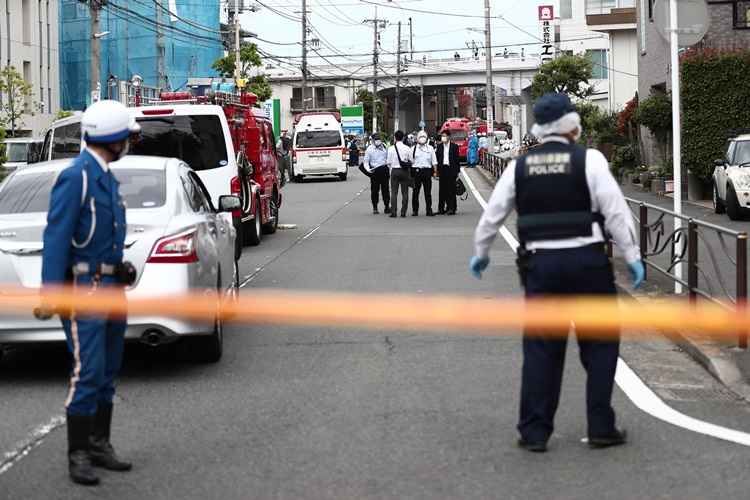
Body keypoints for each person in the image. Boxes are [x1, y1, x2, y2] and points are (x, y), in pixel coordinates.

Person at [469, 93, 646, 453]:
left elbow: (493, 214)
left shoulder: (520, 166)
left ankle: (534, 432)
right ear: (572, 125)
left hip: (541, 268)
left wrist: (481, 252)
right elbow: (616, 213)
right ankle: (600, 426)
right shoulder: (590, 160)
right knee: (599, 346)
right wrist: (633, 256)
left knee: (541, 350)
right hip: (588, 264)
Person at [38, 100, 140, 485]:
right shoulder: (77, 176)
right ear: (113, 139)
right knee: (89, 371)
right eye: (127, 136)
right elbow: (57, 237)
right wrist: (51, 293)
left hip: (112, 288)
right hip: (85, 293)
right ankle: (77, 454)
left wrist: (120, 265)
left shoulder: (106, 177)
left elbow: (102, 236)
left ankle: (100, 444)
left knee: (110, 369)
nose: (130, 142)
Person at [387, 130, 414, 218]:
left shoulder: (391, 148)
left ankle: (393, 212)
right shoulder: (407, 148)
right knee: (405, 192)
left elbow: (388, 162)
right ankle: (403, 212)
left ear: (395, 137)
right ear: (403, 138)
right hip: (404, 171)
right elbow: (412, 161)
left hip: (394, 171)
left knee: (394, 192)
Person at [362, 133, 390, 214]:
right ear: (373, 140)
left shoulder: (384, 146)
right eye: (376, 139)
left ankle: (387, 206)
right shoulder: (369, 149)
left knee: (386, 190)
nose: (378, 141)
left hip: (384, 169)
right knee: (375, 190)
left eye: (379, 139)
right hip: (375, 171)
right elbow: (366, 162)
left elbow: (388, 156)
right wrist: (368, 170)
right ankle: (375, 207)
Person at [411, 130, 437, 216]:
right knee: (415, 192)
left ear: (427, 139)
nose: (422, 139)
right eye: (420, 137)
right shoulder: (413, 149)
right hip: (417, 171)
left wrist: (435, 172)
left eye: (424, 137)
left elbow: (434, 162)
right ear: (417, 139)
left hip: (427, 172)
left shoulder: (430, 148)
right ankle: (415, 210)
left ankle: (429, 210)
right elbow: (410, 161)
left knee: (428, 193)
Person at [435, 129, 460, 215]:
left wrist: (457, 172)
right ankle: (441, 208)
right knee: (442, 189)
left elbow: (457, 160)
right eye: (442, 136)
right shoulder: (439, 146)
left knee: (451, 190)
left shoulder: (454, 146)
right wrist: (436, 171)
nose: (443, 138)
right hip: (442, 169)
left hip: (451, 169)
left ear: (449, 137)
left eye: (445, 136)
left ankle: (451, 208)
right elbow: (437, 159)